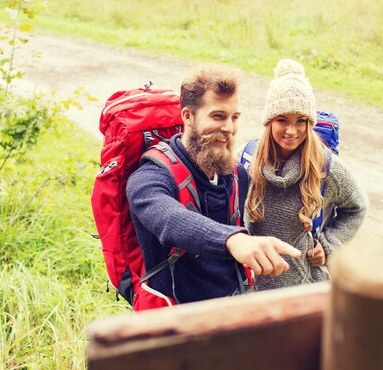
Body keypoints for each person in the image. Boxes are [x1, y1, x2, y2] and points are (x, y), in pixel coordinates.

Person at [126, 65, 302, 305]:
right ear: (187, 116)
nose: (228, 128)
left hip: (231, 310)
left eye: (234, 118)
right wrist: (234, 240)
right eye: (218, 116)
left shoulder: (237, 174)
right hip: (174, 322)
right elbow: (171, 220)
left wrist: (320, 241)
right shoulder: (149, 177)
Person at [245, 59, 368, 291]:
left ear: (309, 123)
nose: (292, 131)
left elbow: (358, 206)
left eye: (300, 121)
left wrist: (330, 245)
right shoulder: (247, 159)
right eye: (282, 120)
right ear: (269, 120)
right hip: (250, 290)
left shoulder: (326, 167)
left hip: (302, 290)